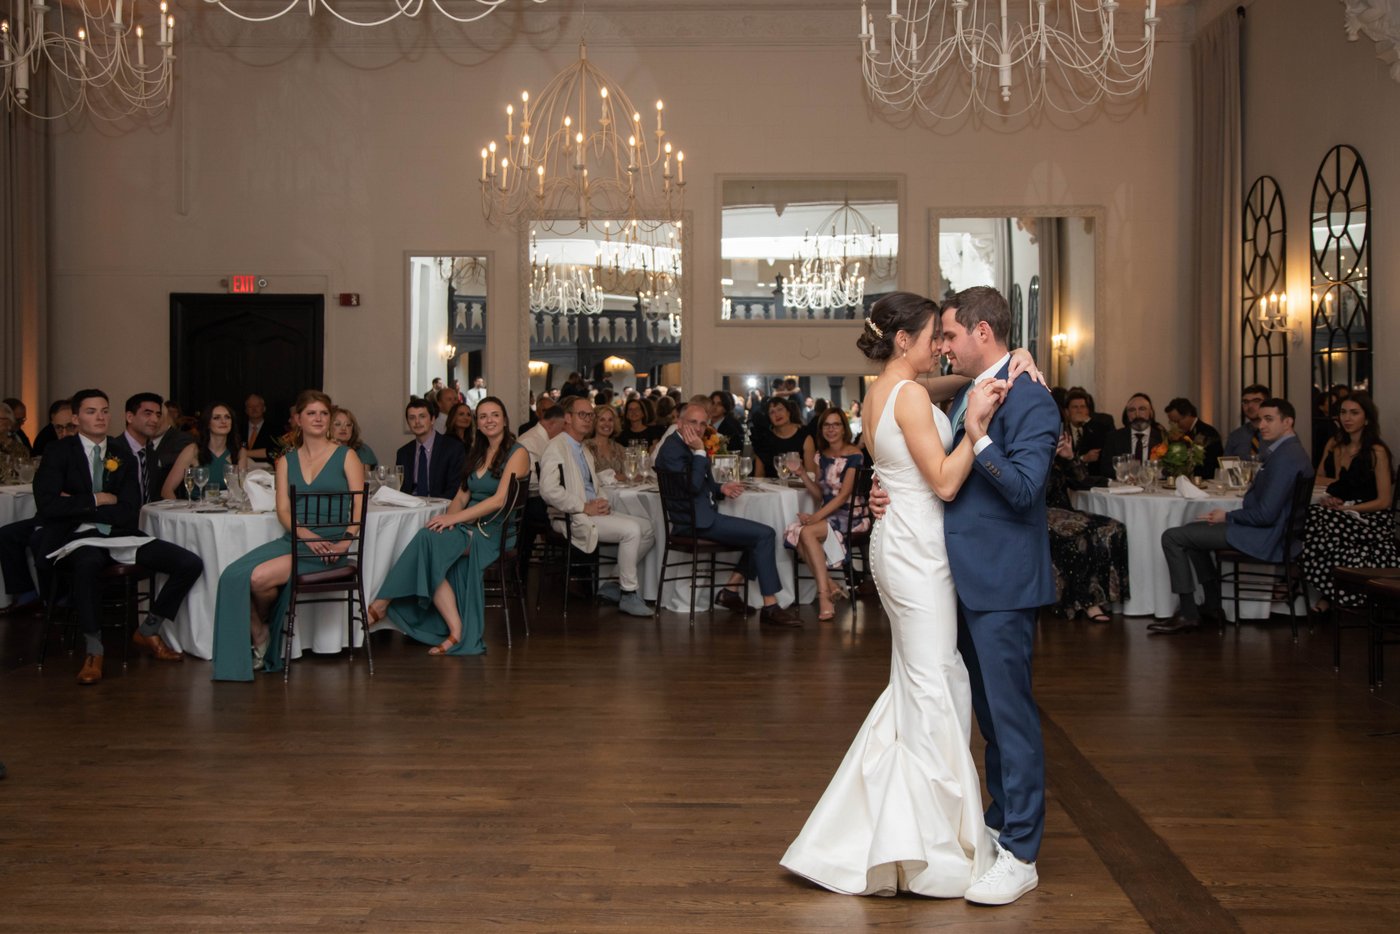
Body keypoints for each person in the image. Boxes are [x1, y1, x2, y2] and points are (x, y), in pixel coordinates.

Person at [783, 287, 1056, 906]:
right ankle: (947, 837)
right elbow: (938, 475)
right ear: (904, 340)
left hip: (974, 569)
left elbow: (1017, 484)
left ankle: (1011, 849)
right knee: (945, 692)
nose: (943, 347)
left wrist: (1018, 361)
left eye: (949, 336)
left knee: (971, 703)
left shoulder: (1002, 393)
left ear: (981, 333)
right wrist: (969, 432)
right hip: (928, 558)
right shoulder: (922, 394)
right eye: (936, 336)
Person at [32, 389, 204, 684]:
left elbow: (128, 509)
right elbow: (48, 505)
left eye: (104, 411)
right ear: (76, 418)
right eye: (91, 411)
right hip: (75, 537)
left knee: (189, 563)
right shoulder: (59, 451)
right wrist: (97, 500)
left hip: (119, 534)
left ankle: (149, 629)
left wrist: (77, 505)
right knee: (87, 564)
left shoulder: (121, 453)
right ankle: (94, 650)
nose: (100, 417)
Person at [211, 391, 365, 680]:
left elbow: (359, 505)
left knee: (258, 579)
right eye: (311, 413)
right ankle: (261, 631)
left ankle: (262, 635)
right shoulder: (285, 461)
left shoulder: (347, 456)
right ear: (298, 420)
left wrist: (345, 541)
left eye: (323, 413)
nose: (318, 418)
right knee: (232, 575)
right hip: (296, 539)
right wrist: (305, 535)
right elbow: (283, 510)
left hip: (332, 546)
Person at [366, 397, 529, 655]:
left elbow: (499, 500)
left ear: (505, 419)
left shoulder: (518, 453)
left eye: (495, 415)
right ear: (478, 423)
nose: (489, 420)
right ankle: (454, 630)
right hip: (468, 526)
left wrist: (454, 519)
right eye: (483, 416)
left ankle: (383, 603)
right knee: (430, 539)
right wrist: (449, 522)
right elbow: (461, 496)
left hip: (493, 531)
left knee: (427, 541)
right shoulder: (477, 452)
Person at [1156, 398, 1313, 634]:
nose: (1262, 425)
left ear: (1288, 422)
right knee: (1191, 532)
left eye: (1269, 419)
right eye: (1261, 419)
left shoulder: (1286, 457)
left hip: (1266, 536)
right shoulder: (1288, 451)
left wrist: (1228, 517)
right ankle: (1212, 605)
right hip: (1270, 531)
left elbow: (1266, 515)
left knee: (1172, 536)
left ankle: (1189, 613)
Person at [654, 404, 802, 627]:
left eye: (703, 424)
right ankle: (770, 607)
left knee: (759, 536)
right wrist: (700, 451)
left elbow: (697, 483)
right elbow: (692, 486)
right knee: (765, 535)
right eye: (693, 422)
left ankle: (730, 591)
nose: (699, 428)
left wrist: (720, 488)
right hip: (694, 523)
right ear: (679, 423)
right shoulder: (673, 449)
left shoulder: (683, 444)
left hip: (699, 517)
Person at [540, 396, 655, 617]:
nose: (588, 419)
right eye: (582, 414)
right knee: (632, 530)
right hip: (570, 517)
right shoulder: (556, 447)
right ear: (567, 418)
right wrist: (583, 506)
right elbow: (548, 490)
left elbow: (594, 484)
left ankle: (612, 583)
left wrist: (601, 501)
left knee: (648, 528)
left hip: (590, 511)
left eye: (590, 415)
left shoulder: (582, 448)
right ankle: (628, 593)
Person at [1301, 392, 1397, 613]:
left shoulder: (1376, 451)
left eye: (1354, 413)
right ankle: (1326, 589)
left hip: (1371, 517)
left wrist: (1348, 507)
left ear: (1367, 418)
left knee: (1318, 518)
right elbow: (1320, 478)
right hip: (1342, 511)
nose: (1347, 418)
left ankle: (1325, 592)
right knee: (1311, 514)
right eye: (1343, 412)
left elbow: (1384, 501)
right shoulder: (1335, 444)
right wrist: (1334, 497)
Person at [785, 408, 868, 621]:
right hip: (829, 515)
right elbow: (820, 493)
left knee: (805, 532)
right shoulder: (821, 456)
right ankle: (830, 585)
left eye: (836, 424)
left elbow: (843, 495)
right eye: (826, 425)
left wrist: (815, 517)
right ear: (821, 429)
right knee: (797, 531)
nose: (831, 429)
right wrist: (802, 474)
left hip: (852, 516)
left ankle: (824, 595)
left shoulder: (855, 455)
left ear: (844, 428)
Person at [1048, 431, 1128, 622]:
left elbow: (1081, 481)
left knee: (1114, 528)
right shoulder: (1028, 451)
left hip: (1064, 510)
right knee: (1081, 532)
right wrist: (1046, 459)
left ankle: (1107, 596)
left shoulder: (1055, 451)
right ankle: (1087, 602)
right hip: (1038, 512)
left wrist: (1070, 457)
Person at [161, 402, 252, 498]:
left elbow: (241, 491)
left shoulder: (240, 452)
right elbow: (167, 490)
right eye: (216, 418)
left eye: (227, 417)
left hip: (227, 507)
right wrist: (180, 508)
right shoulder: (193, 450)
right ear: (208, 423)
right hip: (196, 506)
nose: (223, 421)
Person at [394, 397, 466, 499]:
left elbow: (455, 488)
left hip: (441, 505)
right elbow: (401, 489)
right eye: (412, 418)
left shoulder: (453, 448)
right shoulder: (403, 453)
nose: (417, 422)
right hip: (410, 505)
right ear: (408, 422)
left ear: (432, 419)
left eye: (422, 416)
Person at [1096, 393, 1166, 476]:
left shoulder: (1162, 438)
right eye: (1132, 410)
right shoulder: (1113, 438)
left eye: (1142, 409)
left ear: (1151, 412)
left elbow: (1169, 470)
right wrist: (1126, 474)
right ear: (1127, 414)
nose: (1137, 414)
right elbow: (1105, 469)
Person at [1164, 397, 1224, 479]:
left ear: (1188, 414)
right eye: (1172, 422)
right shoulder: (1179, 434)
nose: (1176, 426)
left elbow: (1210, 465)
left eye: (1177, 421)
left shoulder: (1208, 433)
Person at [751, 397, 810, 478]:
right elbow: (759, 475)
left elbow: (811, 474)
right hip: (769, 485)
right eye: (772, 412)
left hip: (800, 484)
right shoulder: (764, 439)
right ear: (769, 418)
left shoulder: (803, 435)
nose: (777, 414)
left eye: (780, 409)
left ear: (788, 412)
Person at [1223, 384, 1269, 459]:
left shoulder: (1278, 434)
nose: (1250, 406)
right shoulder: (1236, 436)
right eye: (1245, 402)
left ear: (1267, 403)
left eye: (1256, 401)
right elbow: (1226, 464)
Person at [584, 402, 628, 474]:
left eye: (610, 420)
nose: (607, 424)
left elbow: (630, 473)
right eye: (602, 420)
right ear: (594, 422)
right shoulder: (585, 447)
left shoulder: (620, 449)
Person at [243, 394, 276, 462]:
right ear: (246, 410)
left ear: (264, 408)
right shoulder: (238, 429)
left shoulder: (275, 429)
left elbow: (274, 452)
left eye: (257, 406)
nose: (254, 409)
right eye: (250, 406)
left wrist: (244, 453)